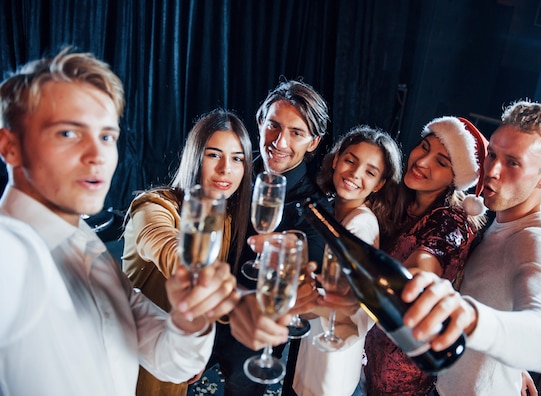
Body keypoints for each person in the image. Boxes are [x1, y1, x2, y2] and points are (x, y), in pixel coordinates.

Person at [0, 48, 239, 395]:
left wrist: (190, 318)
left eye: (107, 136)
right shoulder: (11, 249)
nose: (97, 155)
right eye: (68, 133)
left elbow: (165, 355)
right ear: (10, 146)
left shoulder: (84, 243)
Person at [400, 100, 541, 395]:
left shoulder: (537, 241)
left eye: (513, 162)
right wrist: (514, 362)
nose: (492, 170)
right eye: (492, 154)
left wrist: (468, 316)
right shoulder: (501, 222)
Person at [212, 79, 334, 395]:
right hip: (206, 311)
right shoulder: (232, 171)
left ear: (313, 142)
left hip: (253, 337)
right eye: (274, 126)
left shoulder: (316, 209)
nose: (279, 141)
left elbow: (308, 270)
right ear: (260, 122)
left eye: (296, 133)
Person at [122, 109, 253, 396]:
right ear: (195, 156)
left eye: (237, 158)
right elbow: (170, 250)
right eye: (214, 155)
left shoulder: (225, 217)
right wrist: (241, 304)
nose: (225, 169)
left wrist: (198, 345)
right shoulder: (153, 206)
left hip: (179, 349)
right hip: (135, 351)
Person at [363, 116, 489, 395]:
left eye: (441, 162)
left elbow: (424, 268)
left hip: (401, 369)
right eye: (424, 147)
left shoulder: (452, 222)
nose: (422, 161)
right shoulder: (404, 202)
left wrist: (413, 278)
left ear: (457, 179)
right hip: (372, 348)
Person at [292, 125, 403, 395]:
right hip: (311, 344)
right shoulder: (327, 210)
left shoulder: (361, 226)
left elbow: (346, 303)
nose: (355, 174)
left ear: (379, 185)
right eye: (350, 161)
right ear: (337, 159)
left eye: (370, 171)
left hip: (331, 358)